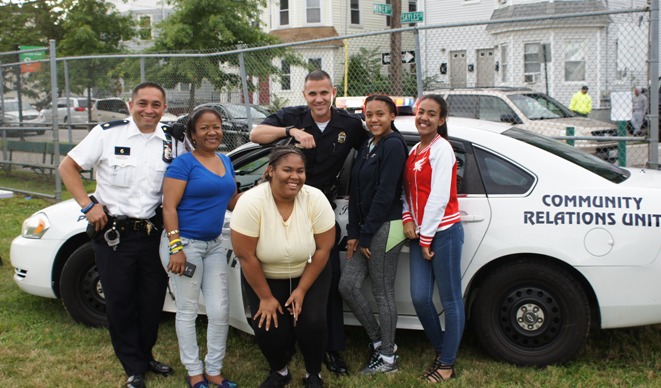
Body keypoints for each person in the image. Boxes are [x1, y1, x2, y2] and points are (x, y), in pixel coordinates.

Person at [249, 69, 368, 375]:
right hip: (282, 203)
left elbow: (373, 149)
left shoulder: (349, 124)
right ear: (304, 95)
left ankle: (331, 349)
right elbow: (255, 135)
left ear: (333, 93)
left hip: (319, 207)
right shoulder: (293, 116)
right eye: (312, 93)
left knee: (325, 278)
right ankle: (286, 340)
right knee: (281, 270)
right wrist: (290, 132)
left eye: (324, 93)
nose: (318, 99)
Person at [59, 82, 177, 388]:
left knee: (152, 301)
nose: (149, 110)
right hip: (114, 234)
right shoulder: (107, 133)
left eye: (155, 105)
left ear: (164, 108)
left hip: (153, 234)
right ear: (130, 104)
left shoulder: (173, 140)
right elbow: (67, 167)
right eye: (143, 103)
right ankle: (133, 366)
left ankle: (145, 354)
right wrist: (88, 206)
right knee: (121, 302)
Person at [230, 146, 336, 388]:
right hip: (264, 274)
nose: (295, 176)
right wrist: (265, 298)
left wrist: (301, 290)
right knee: (268, 326)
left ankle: (313, 373)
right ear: (270, 171)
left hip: (309, 270)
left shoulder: (315, 198)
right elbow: (246, 256)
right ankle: (279, 370)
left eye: (300, 171)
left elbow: (323, 249)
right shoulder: (251, 202)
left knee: (312, 322)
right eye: (287, 170)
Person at [160, 108, 239, 388]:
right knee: (188, 310)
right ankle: (195, 372)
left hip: (214, 244)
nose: (212, 132)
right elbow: (168, 207)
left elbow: (232, 202)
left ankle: (214, 370)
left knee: (219, 311)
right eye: (204, 128)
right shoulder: (184, 164)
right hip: (186, 244)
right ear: (193, 134)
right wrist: (176, 247)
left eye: (216, 127)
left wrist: (267, 188)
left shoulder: (225, 161)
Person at [338, 95, 408, 374]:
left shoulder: (393, 146)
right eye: (369, 115)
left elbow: (385, 194)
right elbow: (356, 191)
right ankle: (380, 341)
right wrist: (354, 232)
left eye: (380, 114)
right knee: (348, 285)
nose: (374, 119)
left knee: (383, 292)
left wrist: (366, 235)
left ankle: (388, 360)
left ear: (392, 116)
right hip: (367, 230)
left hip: (386, 227)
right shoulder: (368, 144)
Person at [402, 95, 464, 383]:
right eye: (420, 112)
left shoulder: (443, 150)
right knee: (419, 297)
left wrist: (426, 237)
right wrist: (407, 217)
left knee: (451, 299)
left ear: (441, 120)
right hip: (421, 234)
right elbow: (407, 193)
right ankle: (442, 350)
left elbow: (439, 197)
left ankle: (447, 364)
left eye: (431, 114)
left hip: (444, 233)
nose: (424, 117)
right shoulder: (415, 150)